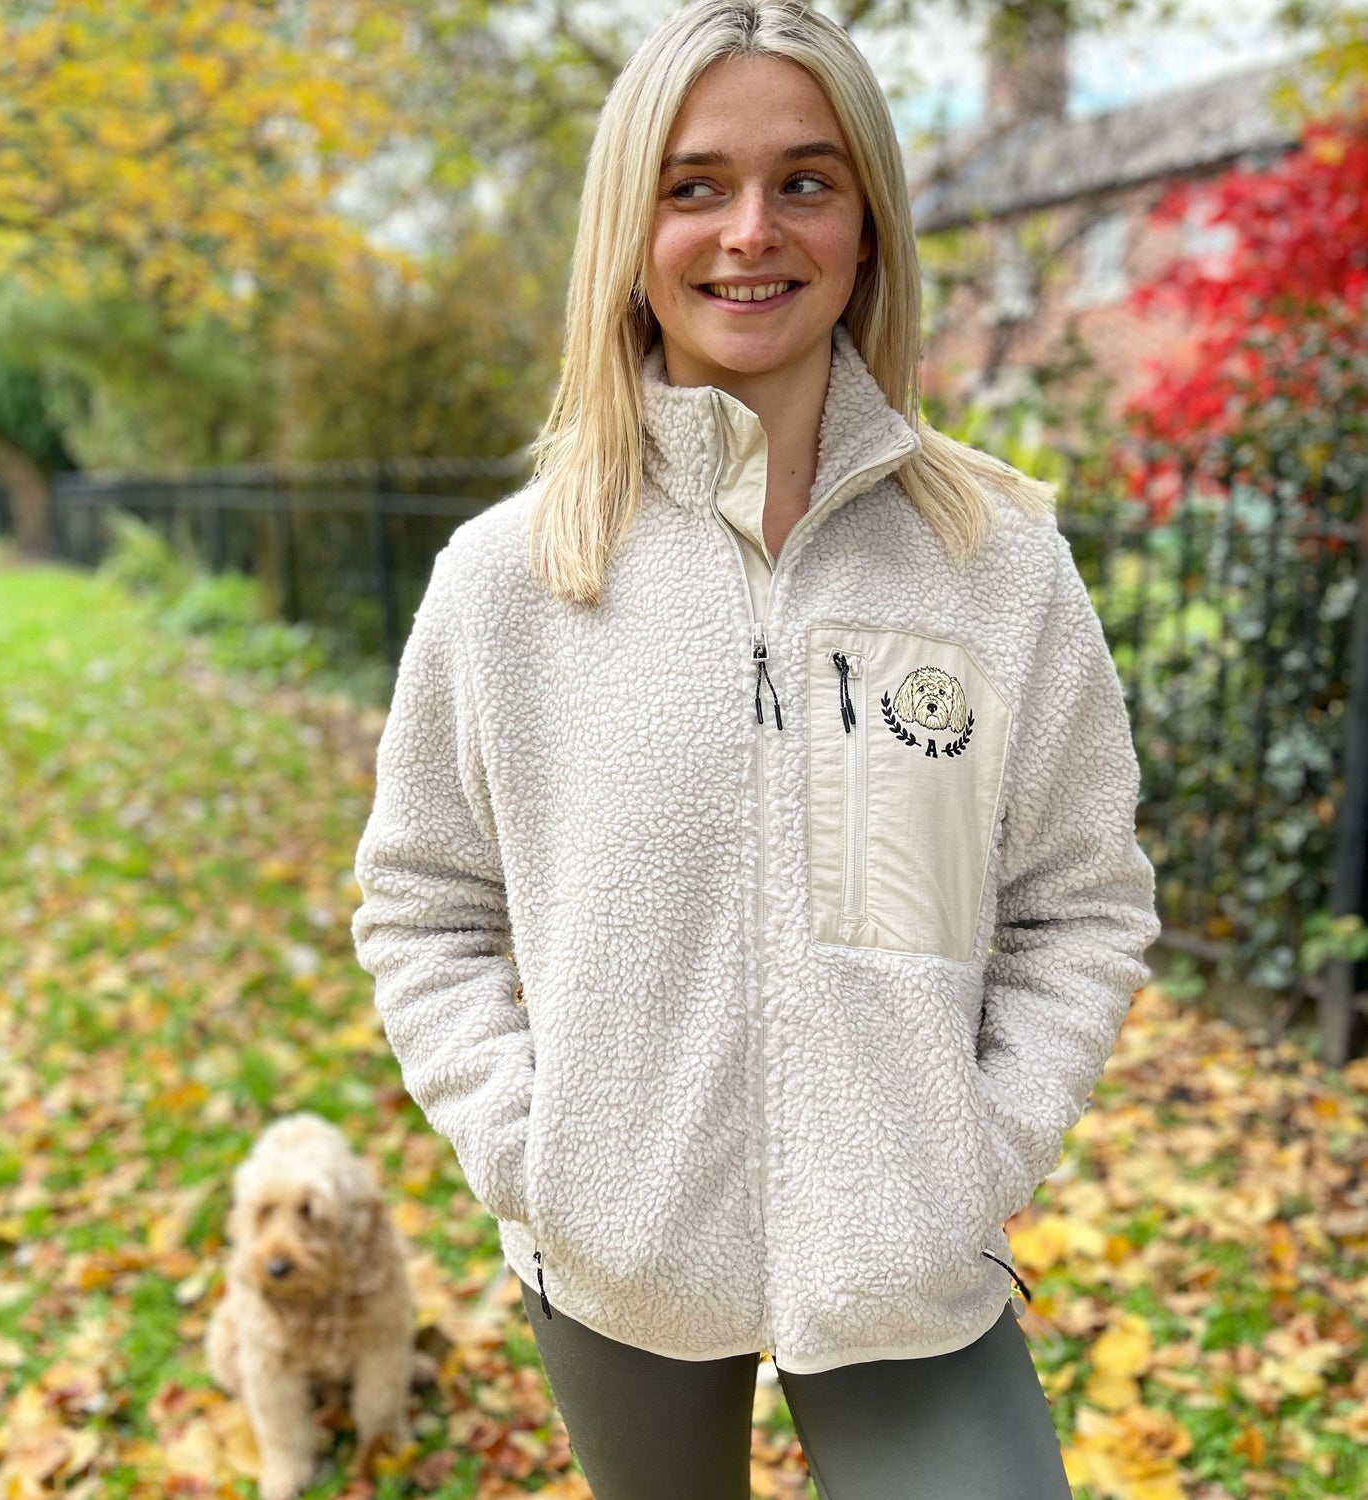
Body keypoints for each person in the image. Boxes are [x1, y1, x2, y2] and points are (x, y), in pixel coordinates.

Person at [350, 2, 1161, 1496]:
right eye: (694, 184)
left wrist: (978, 1153)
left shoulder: (995, 566)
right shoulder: (513, 578)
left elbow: (1079, 901)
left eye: (805, 179)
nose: (750, 233)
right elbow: (424, 904)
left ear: (865, 225)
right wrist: (538, 1155)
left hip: (908, 1262)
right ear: (632, 228)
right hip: (620, 1253)